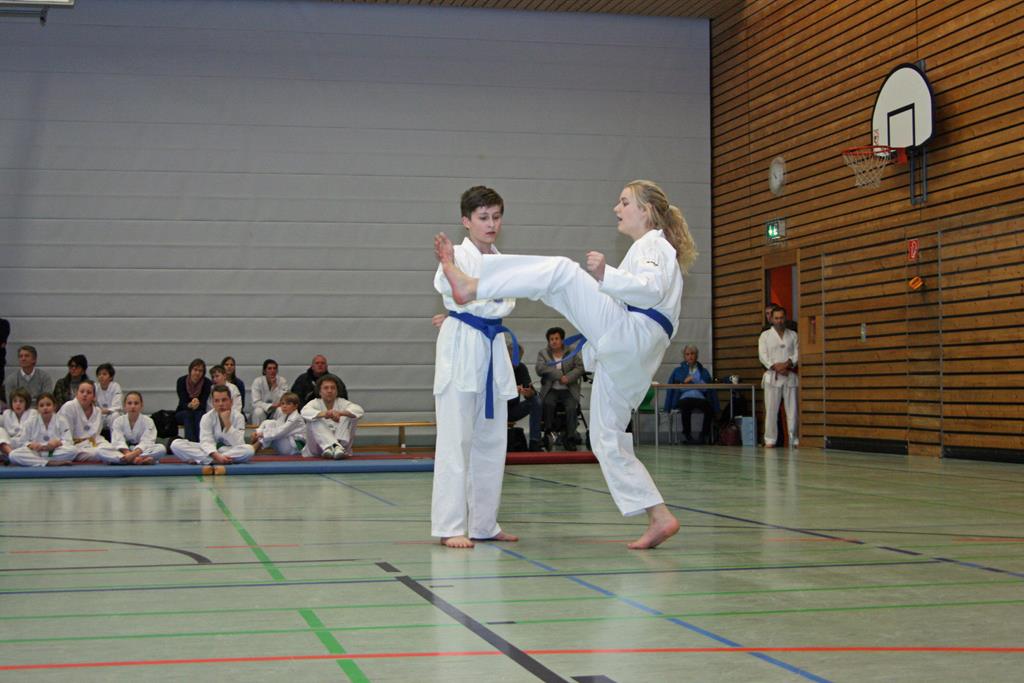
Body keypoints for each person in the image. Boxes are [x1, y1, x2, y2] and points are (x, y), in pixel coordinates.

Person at [434, 179, 696, 549]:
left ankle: (471, 287)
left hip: (632, 334)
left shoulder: (654, 245)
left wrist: (606, 275)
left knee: (560, 272)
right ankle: (659, 515)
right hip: (630, 351)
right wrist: (590, 349)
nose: (617, 208)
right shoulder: (647, 248)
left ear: (646, 210)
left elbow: (649, 290)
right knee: (606, 437)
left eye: (624, 202)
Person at [431, 185, 520, 550]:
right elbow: (457, 294)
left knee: (492, 441)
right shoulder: (454, 256)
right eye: (483, 217)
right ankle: (450, 525)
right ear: (466, 221)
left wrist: (476, 297)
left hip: (492, 346)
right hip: (462, 347)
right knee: (456, 441)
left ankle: (484, 523)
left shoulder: (503, 261)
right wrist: (453, 271)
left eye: (496, 217)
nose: (491, 224)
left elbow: (505, 303)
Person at [171, 385, 255, 465]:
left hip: (228, 450)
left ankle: (205, 460)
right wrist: (216, 456)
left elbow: (239, 443)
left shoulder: (238, 417)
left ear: (231, 401)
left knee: (249, 450)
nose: (220, 404)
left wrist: (228, 424)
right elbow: (206, 441)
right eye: (217, 401)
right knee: (175, 444)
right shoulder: (206, 417)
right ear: (213, 403)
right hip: (209, 451)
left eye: (224, 400)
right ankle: (216, 460)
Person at [536, 326, 586, 450]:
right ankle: (548, 434)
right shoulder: (543, 353)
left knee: (571, 407)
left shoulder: (572, 351)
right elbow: (540, 368)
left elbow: (580, 367)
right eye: (551, 339)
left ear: (562, 340)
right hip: (551, 389)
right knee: (548, 403)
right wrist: (559, 375)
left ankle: (570, 437)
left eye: (556, 338)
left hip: (568, 390)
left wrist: (568, 377)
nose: (554, 341)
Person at [759, 305, 799, 448]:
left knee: (792, 411)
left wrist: (787, 364)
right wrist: (776, 366)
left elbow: (797, 353)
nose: (779, 321)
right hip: (773, 376)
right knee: (771, 411)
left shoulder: (793, 335)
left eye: (781, 318)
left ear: (785, 318)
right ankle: (770, 440)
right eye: (776, 318)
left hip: (789, 375)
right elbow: (763, 356)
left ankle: (794, 439)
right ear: (772, 319)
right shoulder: (765, 336)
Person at [663, 345, 719, 444]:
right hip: (685, 398)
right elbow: (675, 388)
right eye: (687, 354)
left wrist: (695, 381)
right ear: (684, 356)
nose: (690, 356)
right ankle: (687, 435)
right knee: (685, 407)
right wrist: (685, 382)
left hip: (700, 397)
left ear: (696, 355)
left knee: (709, 409)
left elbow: (707, 389)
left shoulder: (704, 371)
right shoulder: (678, 371)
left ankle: (703, 435)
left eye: (692, 354)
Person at [301, 374, 363, 459]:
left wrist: (340, 413)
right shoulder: (314, 403)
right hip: (317, 448)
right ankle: (334, 446)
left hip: (342, 445)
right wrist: (325, 414)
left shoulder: (342, 403)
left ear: (337, 392)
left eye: (333, 388)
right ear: (319, 392)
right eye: (326, 388)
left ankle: (336, 447)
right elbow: (304, 412)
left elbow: (359, 410)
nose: (329, 391)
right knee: (314, 418)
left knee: (350, 415)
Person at [6, 392, 75, 467]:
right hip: (36, 452)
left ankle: (37, 461)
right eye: (41, 406)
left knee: (73, 451)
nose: (45, 408)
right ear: (37, 408)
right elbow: (23, 441)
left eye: (48, 405)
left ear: (54, 406)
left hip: (53, 451)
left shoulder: (61, 420)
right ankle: (49, 463)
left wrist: (58, 443)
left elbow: (68, 441)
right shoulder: (31, 421)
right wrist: (31, 445)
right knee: (13, 454)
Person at [58, 379, 116, 462]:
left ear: (94, 397)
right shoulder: (68, 407)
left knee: (109, 448)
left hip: (91, 445)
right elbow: (65, 436)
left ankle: (124, 458)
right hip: (72, 445)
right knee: (74, 451)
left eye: (89, 392)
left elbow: (96, 436)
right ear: (76, 394)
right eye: (82, 392)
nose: (85, 394)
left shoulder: (97, 411)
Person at [107, 391, 165, 465]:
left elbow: (147, 441)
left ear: (141, 405)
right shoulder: (118, 421)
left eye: (136, 403)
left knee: (161, 448)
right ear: (124, 406)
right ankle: (140, 460)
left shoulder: (148, 421)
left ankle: (127, 460)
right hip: (124, 451)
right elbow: (118, 441)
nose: (133, 406)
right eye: (129, 403)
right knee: (102, 450)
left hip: (141, 451)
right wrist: (128, 454)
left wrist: (133, 454)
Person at [506, 340, 543, 452]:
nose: (515, 363)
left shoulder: (521, 368)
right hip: (496, 411)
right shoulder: (497, 368)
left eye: (518, 359)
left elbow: (530, 390)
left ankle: (534, 442)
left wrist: (529, 393)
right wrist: (512, 389)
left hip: (512, 409)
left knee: (536, 401)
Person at [176, 359, 212, 442]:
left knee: (199, 415)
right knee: (188, 414)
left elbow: (204, 403)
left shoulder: (207, 383)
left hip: (199, 411)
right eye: (195, 370)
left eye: (200, 371)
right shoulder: (181, 381)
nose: (197, 373)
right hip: (183, 411)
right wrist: (190, 405)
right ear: (190, 370)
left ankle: (200, 442)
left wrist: (197, 404)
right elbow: (182, 402)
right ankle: (191, 442)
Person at [1, 388, 39, 460]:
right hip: (9, 445)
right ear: (11, 403)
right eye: (15, 401)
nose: (18, 404)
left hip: (26, 444)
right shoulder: (6, 413)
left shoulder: (33, 413)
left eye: (21, 401)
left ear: (26, 403)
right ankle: (12, 454)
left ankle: (15, 457)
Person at [251, 359, 288, 424]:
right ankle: (259, 430)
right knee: (258, 412)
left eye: (274, 368)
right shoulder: (257, 382)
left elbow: (283, 400)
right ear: (264, 371)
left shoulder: (282, 381)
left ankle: (280, 429)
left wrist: (275, 387)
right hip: (262, 408)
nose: (272, 371)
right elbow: (255, 402)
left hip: (276, 409)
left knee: (281, 410)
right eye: (269, 368)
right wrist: (270, 406)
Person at [94, 363, 124, 435]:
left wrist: (107, 410)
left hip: (111, 413)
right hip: (100, 414)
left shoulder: (115, 386)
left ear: (111, 377)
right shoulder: (95, 387)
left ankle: (115, 439)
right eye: (99, 374)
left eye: (104, 374)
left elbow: (117, 405)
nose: (101, 376)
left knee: (115, 416)